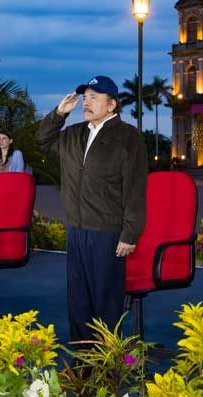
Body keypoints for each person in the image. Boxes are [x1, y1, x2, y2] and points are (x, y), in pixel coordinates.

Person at [37, 75, 147, 343]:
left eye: (94, 98)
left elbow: (135, 189)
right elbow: (42, 140)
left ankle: (107, 369)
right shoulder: (74, 134)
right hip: (77, 230)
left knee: (106, 304)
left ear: (111, 105)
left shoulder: (128, 138)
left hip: (107, 234)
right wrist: (59, 114)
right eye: (85, 98)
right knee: (78, 301)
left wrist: (130, 234)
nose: (86, 103)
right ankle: (82, 366)